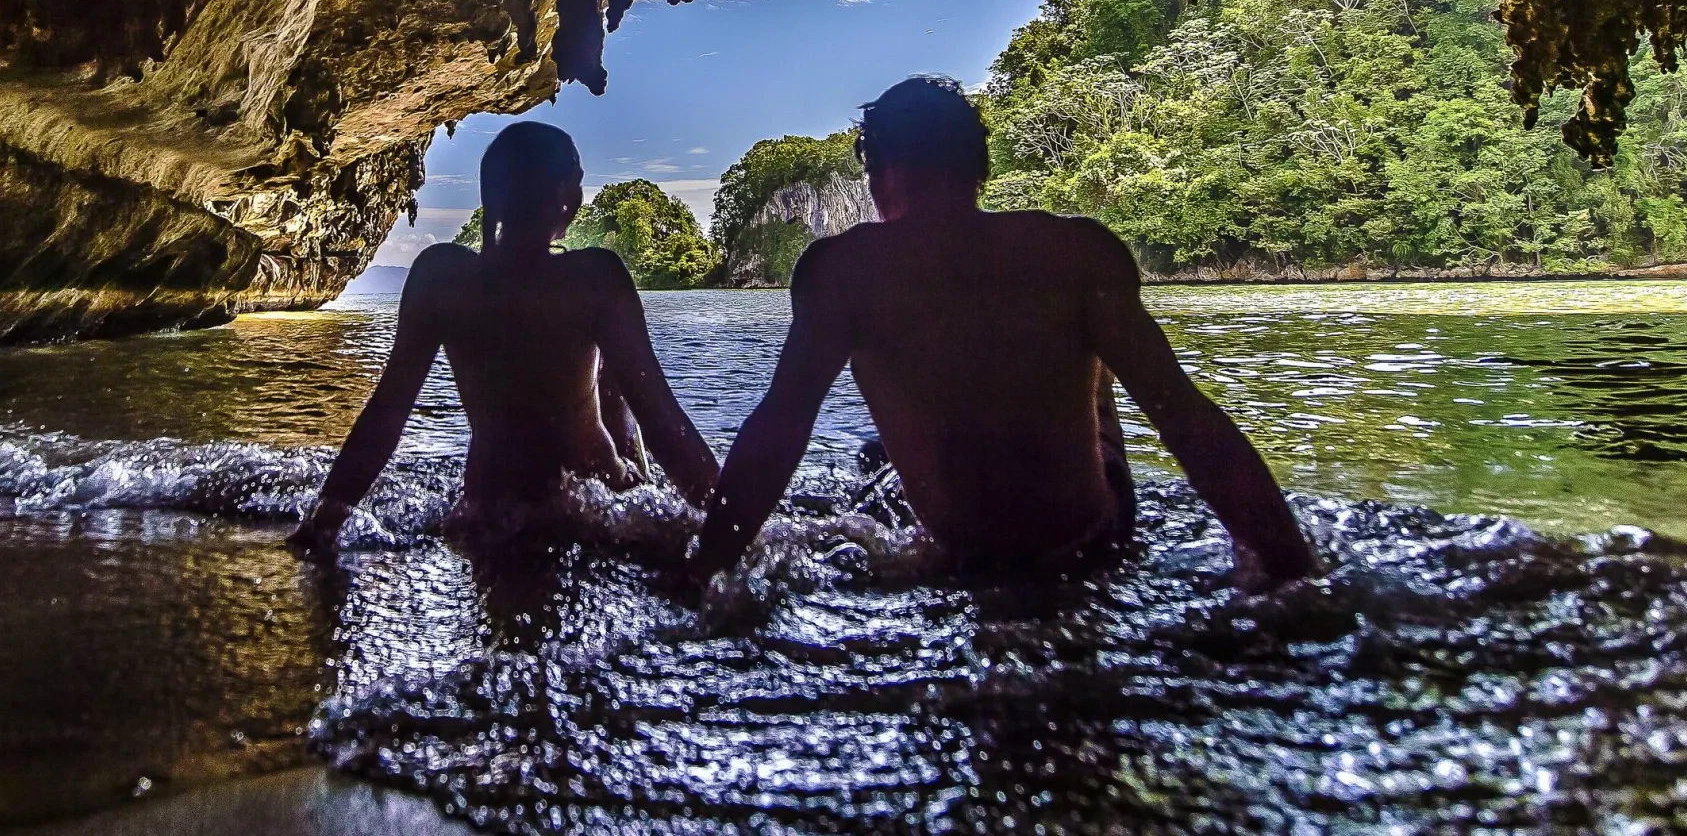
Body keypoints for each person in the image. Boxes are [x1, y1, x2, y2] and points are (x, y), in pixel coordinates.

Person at [691, 76, 1317, 582]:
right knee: (1089, 362)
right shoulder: (1076, 252)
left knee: (877, 463)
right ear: (977, 168)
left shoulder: (844, 271)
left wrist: (705, 568)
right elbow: (1185, 418)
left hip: (963, 551)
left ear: (887, 174)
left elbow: (779, 426)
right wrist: (1293, 568)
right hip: (1092, 542)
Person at [289, 121, 720, 558]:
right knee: (612, 375)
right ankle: (634, 478)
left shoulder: (440, 277)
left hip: (484, 508)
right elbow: (663, 419)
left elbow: (388, 410)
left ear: (488, 196)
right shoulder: (593, 279)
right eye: (577, 185)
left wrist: (328, 514)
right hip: (591, 505)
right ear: (563, 198)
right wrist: (733, 525)